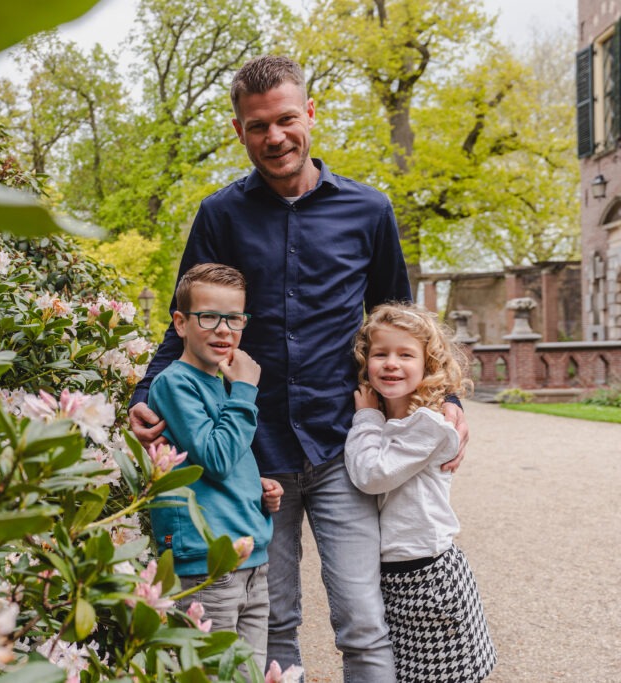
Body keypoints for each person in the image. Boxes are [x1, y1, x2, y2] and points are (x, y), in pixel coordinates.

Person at [128, 55, 470, 681]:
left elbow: (402, 319)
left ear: (310, 114)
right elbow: (186, 319)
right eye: (257, 126)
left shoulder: (369, 211)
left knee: (365, 623)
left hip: (343, 445)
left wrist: (448, 400)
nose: (275, 137)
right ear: (239, 131)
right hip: (254, 456)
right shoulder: (220, 216)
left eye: (286, 119)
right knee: (273, 620)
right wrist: (147, 391)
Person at [344, 303, 496, 682]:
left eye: (405, 354)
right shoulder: (393, 420)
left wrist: (365, 416)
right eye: (381, 354)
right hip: (397, 574)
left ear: (429, 365)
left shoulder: (428, 424)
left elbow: (370, 474)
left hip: (429, 577)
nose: (391, 363)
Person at [146, 263, 282, 673]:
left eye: (235, 318)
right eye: (209, 317)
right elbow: (218, 457)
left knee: (249, 675)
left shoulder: (220, 383)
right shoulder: (174, 384)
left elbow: (219, 461)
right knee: (212, 675)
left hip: (250, 561)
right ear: (181, 323)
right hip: (208, 566)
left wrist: (256, 486)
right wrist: (245, 389)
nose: (224, 330)